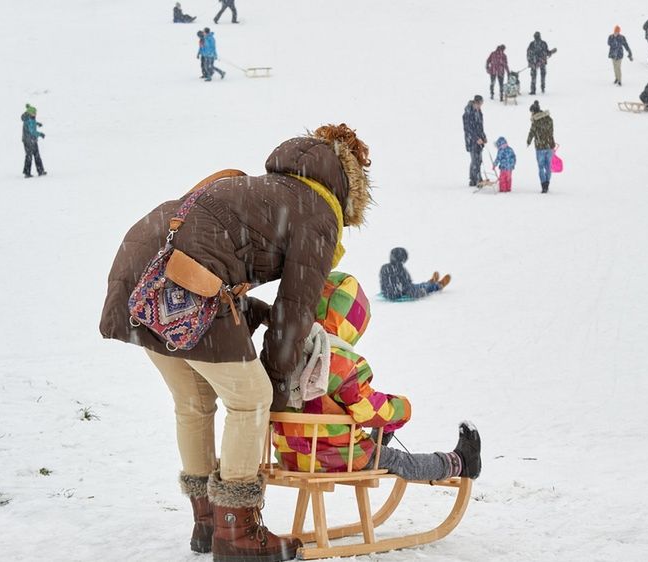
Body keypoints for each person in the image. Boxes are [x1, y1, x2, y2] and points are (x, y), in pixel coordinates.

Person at [99, 124, 373, 561]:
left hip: (142, 266)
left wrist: (253, 316)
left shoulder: (265, 189)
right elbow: (297, 307)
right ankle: (238, 533)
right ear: (349, 185)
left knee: (193, 400)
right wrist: (279, 381)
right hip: (184, 276)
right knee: (252, 399)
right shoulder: (319, 211)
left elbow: (226, 254)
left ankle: (207, 522)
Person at [272, 272, 480, 483]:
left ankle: (377, 440)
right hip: (337, 458)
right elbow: (368, 408)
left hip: (290, 457)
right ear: (351, 323)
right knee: (399, 461)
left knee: (360, 441)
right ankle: (461, 462)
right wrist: (401, 409)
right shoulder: (339, 361)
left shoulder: (285, 356)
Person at [379, 248, 450, 300]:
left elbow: (384, 283)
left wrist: (388, 292)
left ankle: (431, 281)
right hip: (402, 293)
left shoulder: (384, 267)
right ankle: (438, 285)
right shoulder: (400, 269)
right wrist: (417, 293)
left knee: (418, 286)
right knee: (423, 288)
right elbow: (407, 283)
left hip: (387, 293)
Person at [526, 100, 555, 193]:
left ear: (534, 111)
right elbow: (551, 131)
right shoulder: (549, 119)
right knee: (548, 167)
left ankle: (544, 185)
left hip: (540, 147)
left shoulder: (536, 121)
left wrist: (528, 141)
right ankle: (547, 183)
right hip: (549, 145)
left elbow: (532, 132)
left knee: (541, 167)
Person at [462, 95, 487, 187]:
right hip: (471, 140)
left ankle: (473, 179)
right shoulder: (468, 113)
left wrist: (483, 137)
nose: (480, 106)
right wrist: (476, 138)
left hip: (479, 139)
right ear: (475, 103)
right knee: (475, 159)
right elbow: (469, 128)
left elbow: (480, 126)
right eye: (479, 104)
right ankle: (477, 179)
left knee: (478, 159)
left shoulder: (478, 111)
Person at [21, 103, 46, 178]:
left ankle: (40, 171)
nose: (35, 114)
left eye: (35, 113)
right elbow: (32, 131)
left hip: (32, 140)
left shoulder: (30, 118)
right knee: (29, 156)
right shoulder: (29, 120)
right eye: (34, 113)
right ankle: (27, 172)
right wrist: (40, 134)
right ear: (29, 113)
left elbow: (32, 123)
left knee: (36, 155)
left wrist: (37, 124)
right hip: (28, 141)